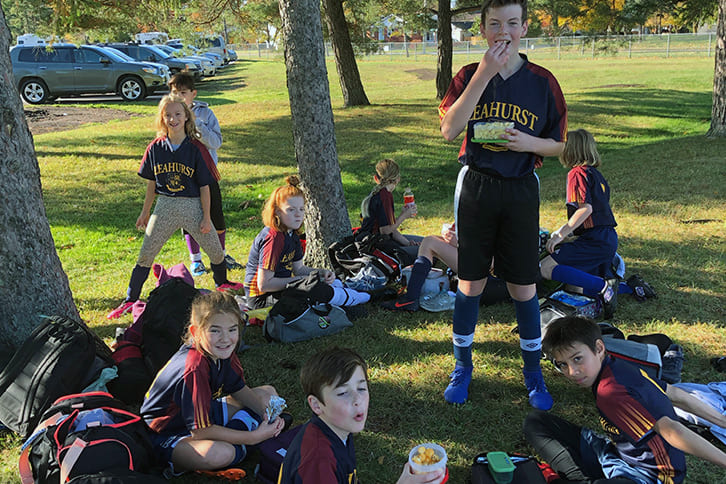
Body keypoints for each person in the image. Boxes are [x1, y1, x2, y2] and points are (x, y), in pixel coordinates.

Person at [437, 0, 567, 407]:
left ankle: (533, 372)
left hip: (520, 188)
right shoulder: (467, 75)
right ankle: (463, 366)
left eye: (512, 23)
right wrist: (485, 73)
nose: (503, 31)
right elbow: (449, 129)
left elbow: (561, 144)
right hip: (477, 184)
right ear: (483, 31)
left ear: (524, 28)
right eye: (495, 24)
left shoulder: (543, 81)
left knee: (523, 284)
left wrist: (529, 143)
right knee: (470, 280)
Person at [524, 316, 726, 483]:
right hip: (618, 455)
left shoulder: (611, 393)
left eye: (577, 359)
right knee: (536, 422)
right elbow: (676, 395)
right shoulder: (618, 365)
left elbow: (672, 430)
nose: (572, 372)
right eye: (562, 364)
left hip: (652, 476)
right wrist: (722, 421)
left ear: (599, 348)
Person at [107, 95, 242, 319]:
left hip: (192, 205)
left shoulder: (196, 148)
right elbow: (152, 184)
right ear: (162, 118)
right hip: (165, 206)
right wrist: (145, 212)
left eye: (178, 114)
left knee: (215, 251)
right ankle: (131, 298)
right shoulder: (155, 148)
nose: (173, 119)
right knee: (146, 252)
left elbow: (205, 187)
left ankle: (222, 283)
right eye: (168, 115)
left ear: (187, 117)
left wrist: (206, 217)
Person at [141, 291, 286, 478]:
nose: (225, 338)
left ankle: (247, 433)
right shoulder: (194, 367)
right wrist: (253, 438)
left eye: (232, 329)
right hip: (166, 433)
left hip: (201, 416)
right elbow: (200, 431)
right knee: (219, 453)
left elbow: (238, 388)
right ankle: (247, 438)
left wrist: (264, 413)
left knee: (269, 395)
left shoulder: (222, 350)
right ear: (196, 332)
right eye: (215, 330)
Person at [278, 347, 445, 484]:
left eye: (361, 388)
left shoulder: (336, 429)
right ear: (316, 404)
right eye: (343, 393)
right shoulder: (318, 462)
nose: (357, 400)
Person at [244, 176, 370, 310]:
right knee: (315, 290)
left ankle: (352, 294)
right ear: (277, 212)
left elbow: (298, 269)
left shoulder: (292, 233)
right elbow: (264, 285)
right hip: (261, 299)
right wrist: (303, 281)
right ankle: (360, 298)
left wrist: (321, 273)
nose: (298, 215)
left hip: (278, 291)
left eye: (301, 209)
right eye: (291, 210)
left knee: (324, 283)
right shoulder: (273, 237)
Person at [168, 71, 243, 277]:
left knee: (216, 216)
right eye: (174, 93)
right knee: (190, 219)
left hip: (207, 174)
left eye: (183, 93)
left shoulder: (206, 114)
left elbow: (216, 142)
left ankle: (220, 255)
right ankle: (196, 260)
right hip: (185, 177)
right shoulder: (169, 115)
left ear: (193, 93)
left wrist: (196, 124)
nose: (178, 97)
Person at [539, 129, 618, 318]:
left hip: (595, 239)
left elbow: (586, 209)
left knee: (545, 267)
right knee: (575, 286)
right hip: (606, 237)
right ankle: (623, 289)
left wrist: (561, 233)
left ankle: (604, 287)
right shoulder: (596, 175)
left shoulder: (577, 173)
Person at [360, 159, 421, 264]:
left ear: (376, 178)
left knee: (423, 242)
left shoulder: (380, 193)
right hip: (377, 246)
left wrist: (407, 243)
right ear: (397, 179)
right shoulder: (385, 196)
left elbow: (390, 229)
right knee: (428, 249)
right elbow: (386, 231)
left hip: (374, 241)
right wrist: (404, 215)